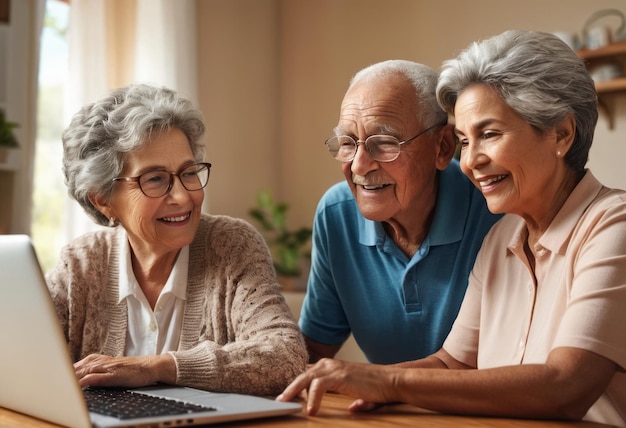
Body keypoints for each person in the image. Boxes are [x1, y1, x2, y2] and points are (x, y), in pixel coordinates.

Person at [277, 30, 626, 426]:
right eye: (464, 139)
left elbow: (566, 385)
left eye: (489, 134)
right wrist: (362, 381)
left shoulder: (613, 226)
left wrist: (388, 380)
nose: (471, 160)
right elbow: (453, 362)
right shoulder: (503, 239)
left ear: (561, 134)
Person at [46, 83, 307, 396]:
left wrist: (155, 367)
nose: (184, 196)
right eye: (155, 179)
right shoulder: (80, 264)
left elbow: (284, 357)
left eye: (189, 172)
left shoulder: (231, 246)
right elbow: (21, 356)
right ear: (102, 199)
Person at [299, 60, 501, 364]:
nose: (358, 165)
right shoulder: (337, 214)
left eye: (384, 143)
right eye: (347, 143)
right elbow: (313, 350)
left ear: (443, 147)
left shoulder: (495, 212)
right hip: (384, 408)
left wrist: (378, 383)